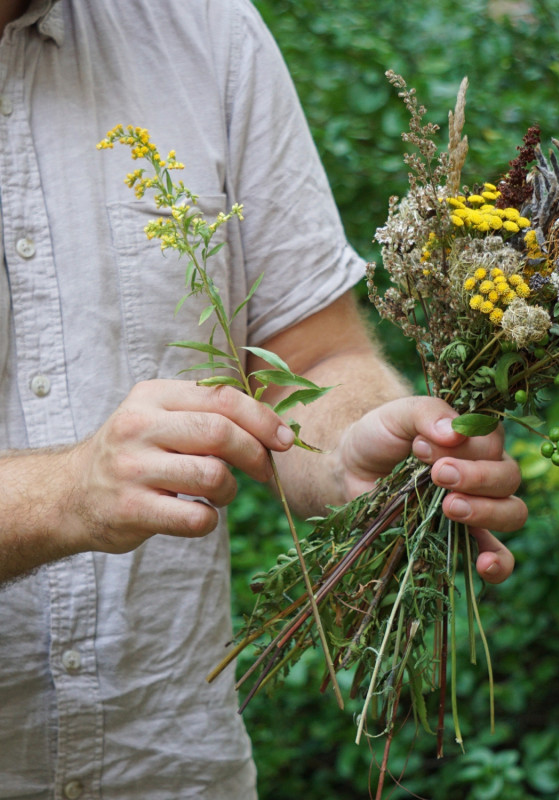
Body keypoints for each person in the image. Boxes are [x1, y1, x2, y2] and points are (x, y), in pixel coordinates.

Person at [0, 0, 526, 797]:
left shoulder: (205, 28)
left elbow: (312, 357)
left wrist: (352, 452)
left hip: (174, 768)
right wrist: (61, 496)